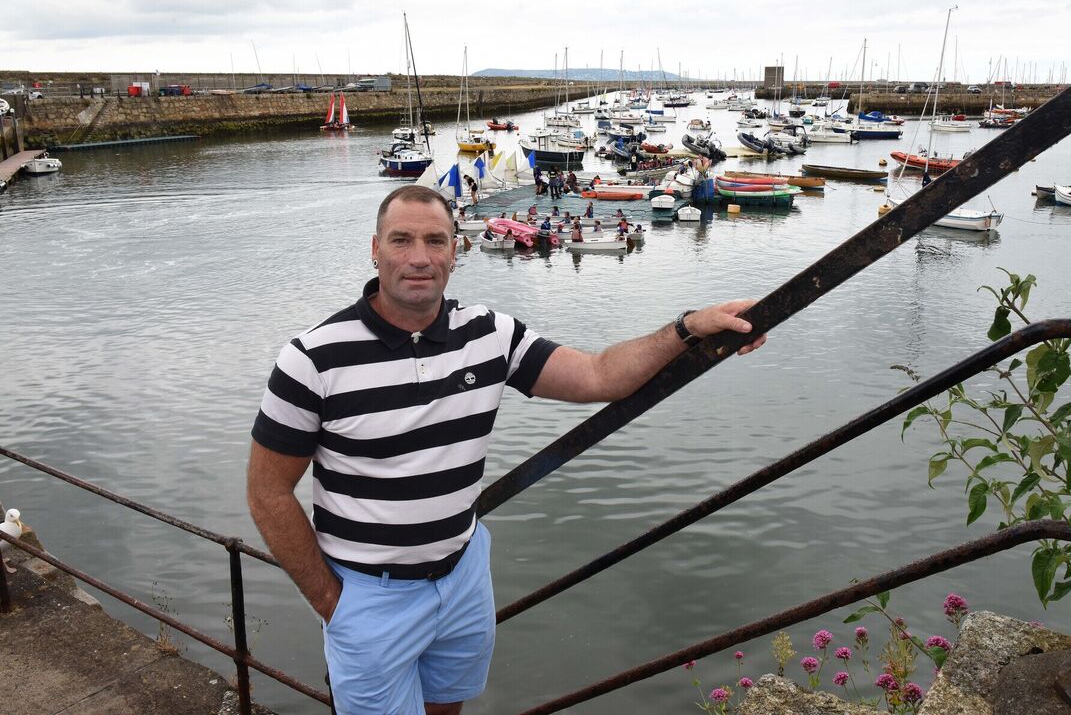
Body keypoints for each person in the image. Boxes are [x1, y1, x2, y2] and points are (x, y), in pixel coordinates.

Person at [247, 185, 764, 715]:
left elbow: (598, 374)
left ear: (456, 250)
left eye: (435, 240)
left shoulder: (490, 334)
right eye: (401, 240)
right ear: (374, 249)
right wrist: (332, 603)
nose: (419, 257)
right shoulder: (313, 359)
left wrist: (688, 328)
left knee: (448, 706)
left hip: (463, 575)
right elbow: (267, 491)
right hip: (369, 595)